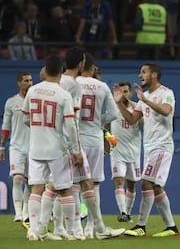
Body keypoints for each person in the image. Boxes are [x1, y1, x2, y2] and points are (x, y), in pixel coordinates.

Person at [114, 62, 179, 237]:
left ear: (154, 74)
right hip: (149, 147)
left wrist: (145, 100)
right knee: (156, 187)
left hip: (162, 146)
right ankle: (171, 228)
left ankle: (141, 226)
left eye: (144, 72)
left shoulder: (166, 93)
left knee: (145, 183)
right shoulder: (145, 96)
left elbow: (166, 111)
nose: (140, 75)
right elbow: (132, 120)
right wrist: (120, 104)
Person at [22, 55, 82, 241]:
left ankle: (34, 230)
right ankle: (71, 231)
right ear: (61, 72)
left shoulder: (32, 90)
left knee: (36, 189)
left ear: (46, 70)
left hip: (36, 148)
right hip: (56, 148)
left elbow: (25, 118)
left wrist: (39, 130)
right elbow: (71, 126)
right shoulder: (63, 94)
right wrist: (76, 150)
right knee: (65, 190)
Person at [76, 52, 120, 238]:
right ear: (93, 68)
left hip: (76, 138)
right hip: (94, 139)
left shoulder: (71, 83)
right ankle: (90, 230)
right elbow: (114, 114)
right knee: (94, 185)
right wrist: (97, 121)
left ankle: (76, 229)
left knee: (74, 185)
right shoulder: (102, 86)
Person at [0, 71, 33, 228]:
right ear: (19, 83)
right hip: (17, 147)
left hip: (34, 147)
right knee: (18, 178)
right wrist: (2, 146)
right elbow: (6, 127)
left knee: (31, 184)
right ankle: (18, 213)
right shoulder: (11, 102)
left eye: (31, 80)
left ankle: (26, 213)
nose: (29, 83)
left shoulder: (36, 101)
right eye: (26, 80)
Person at [110, 82, 143, 223]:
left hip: (134, 152)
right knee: (118, 180)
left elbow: (144, 123)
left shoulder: (137, 107)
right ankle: (123, 212)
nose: (123, 94)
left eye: (125, 91)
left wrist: (138, 112)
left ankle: (128, 213)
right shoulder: (113, 107)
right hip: (117, 151)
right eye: (121, 91)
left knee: (132, 184)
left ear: (130, 93)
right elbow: (105, 124)